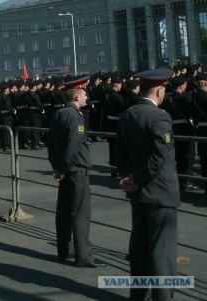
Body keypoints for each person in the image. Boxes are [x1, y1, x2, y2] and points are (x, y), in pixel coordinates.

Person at [116, 68, 180, 301]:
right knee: (162, 251)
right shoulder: (160, 117)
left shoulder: (128, 114)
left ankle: (138, 296)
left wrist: (128, 178)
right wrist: (136, 178)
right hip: (160, 190)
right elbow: (160, 156)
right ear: (160, 90)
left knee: (140, 249)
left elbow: (120, 152)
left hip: (138, 192)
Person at [47, 75, 105, 268]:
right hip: (75, 168)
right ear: (77, 97)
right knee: (80, 213)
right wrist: (63, 167)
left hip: (64, 169)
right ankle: (84, 255)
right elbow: (73, 145)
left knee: (63, 212)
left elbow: (52, 143)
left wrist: (56, 166)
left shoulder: (59, 114)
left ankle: (64, 250)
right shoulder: (76, 116)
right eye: (84, 94)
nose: (87, 98)